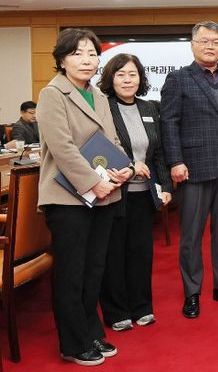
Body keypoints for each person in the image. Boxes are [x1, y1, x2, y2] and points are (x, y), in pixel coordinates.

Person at [37, 28, 134, 366]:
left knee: (95, 269)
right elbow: (62, 147)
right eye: (77, 53)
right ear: (62, 60)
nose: (86, 60)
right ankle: (73, 342)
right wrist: (93, 182)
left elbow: (114, 142)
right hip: (68, 199)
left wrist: (124, 169)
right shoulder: (52, 94)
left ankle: (92, 332)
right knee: (72, 272)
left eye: (92, 53)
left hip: (104, 195)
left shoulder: (98, 95)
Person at [161, 20, 218, 319]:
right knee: (191, 235)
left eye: (215, 41)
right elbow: (169, 122)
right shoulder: (178, 79)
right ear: (193, 45)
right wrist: (175, 161)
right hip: (192, 167)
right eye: (204, 41)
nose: (210, 46)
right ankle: (192, 291)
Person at [97, 53, 172, 331]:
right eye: (121, 75)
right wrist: (128, 165)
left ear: (140, 78)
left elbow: (159, 152)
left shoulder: (149, 108)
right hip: (113, 193)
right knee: (113, 254)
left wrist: (165, 186)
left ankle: (142, 306)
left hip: (143, 194)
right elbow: (99, 148)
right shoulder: (104, 107)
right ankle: (117, 311)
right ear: (111, 78)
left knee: (141, 254)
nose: (127, 80)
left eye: (133, 74)